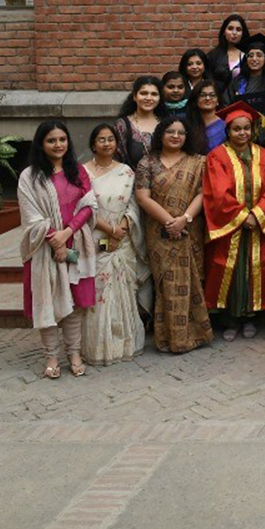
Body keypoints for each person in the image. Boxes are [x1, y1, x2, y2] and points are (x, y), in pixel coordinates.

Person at [202, 100, 265, 341]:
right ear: (228, 131)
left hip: (257, 226)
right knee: (227, 268)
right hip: (230, 227)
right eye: (236, 129)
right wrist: (242, 216)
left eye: (246, 128)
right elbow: (218, 193)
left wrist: (257, 215)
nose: (242, 133)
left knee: (256, 269)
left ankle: (251, 317)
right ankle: (230, 319)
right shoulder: (217, 157)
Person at [18, 120, 97, 379]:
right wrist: (55, 239)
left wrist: (67, 233)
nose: (58, 145)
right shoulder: (29, 177)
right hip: (44, 249)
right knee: (48, 303)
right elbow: (31, 217)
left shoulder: (78, 171)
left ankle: (73, 353)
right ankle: (51, 356)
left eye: (62, 139)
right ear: (41, 143)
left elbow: (88, 205)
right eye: (51, 140)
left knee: (74, 305)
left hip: (75, 245)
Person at [134, 115, 213, 353]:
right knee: (166, 282)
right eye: (170, 132)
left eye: (180, 132)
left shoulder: (199, 161)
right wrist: (170, 222)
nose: (176, 136)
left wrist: (184, 219)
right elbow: (142, 197)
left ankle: (196, 334)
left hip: (190, 229)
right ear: (161, 134)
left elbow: (202, 194)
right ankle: (170, 337)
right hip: (159, 232)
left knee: (192, 280)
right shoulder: (146, 163)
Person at [81, 123, 145, 366]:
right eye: (101, 139)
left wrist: (123, 229)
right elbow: (83, 208)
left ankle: (124, 344)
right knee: (99, 293)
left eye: (111, 139)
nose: (106, 143)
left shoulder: (127, 172)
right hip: (96, 238)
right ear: (93, 144)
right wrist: (110, 230)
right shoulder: (82, 173)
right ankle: (98, 348)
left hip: (123, 237)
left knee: (123, 291)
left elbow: (133, 204)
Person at [111, 75, 162, 169]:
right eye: (143, 93)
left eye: (154, 94)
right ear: (134, 96)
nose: (149, 98)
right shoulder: (122, 125)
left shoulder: (166, 124)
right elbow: (115, 160)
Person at [206, 13, 248, 88]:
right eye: (230, 28)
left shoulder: (248, 55)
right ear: (224, 32)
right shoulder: (213, 55)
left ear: (243, 33)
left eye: (238, 29)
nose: (234, 33)